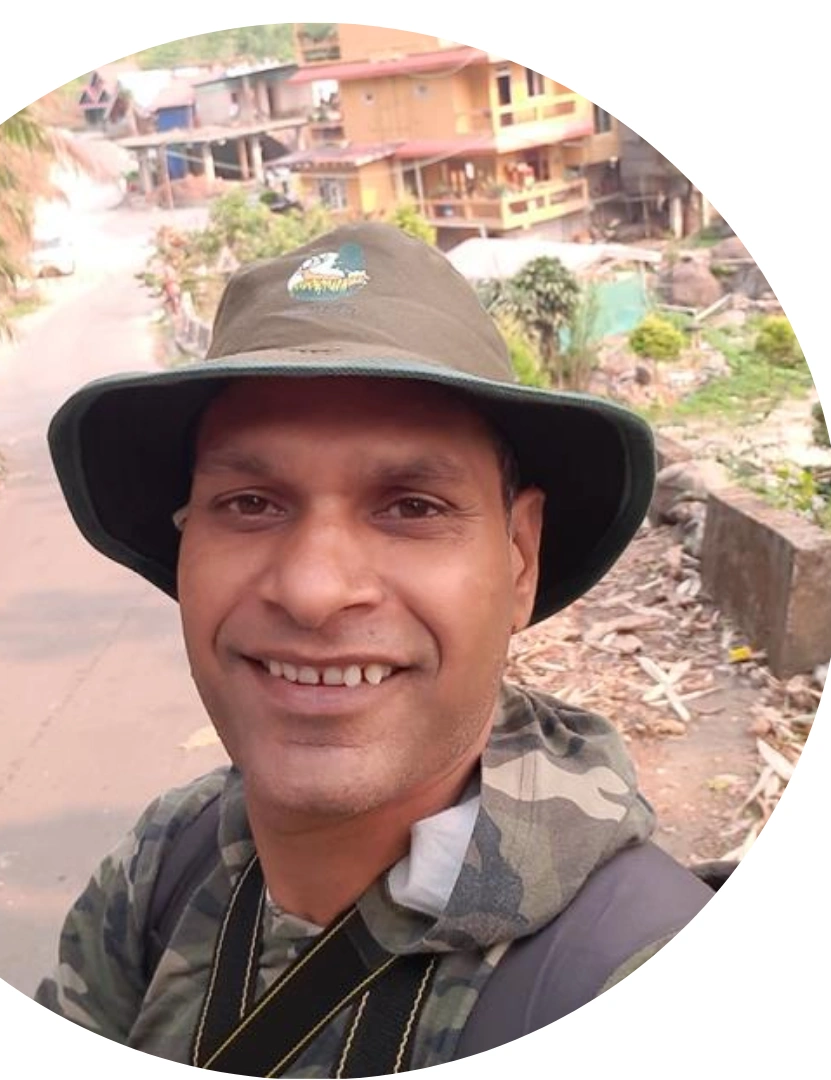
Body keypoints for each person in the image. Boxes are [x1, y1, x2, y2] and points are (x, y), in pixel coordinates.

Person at [36, 222, 714, 1073]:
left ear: (519, 558)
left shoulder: (633, 975)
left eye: (412, 507)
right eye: (249, 503)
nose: (314, 591)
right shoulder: (169, 860)